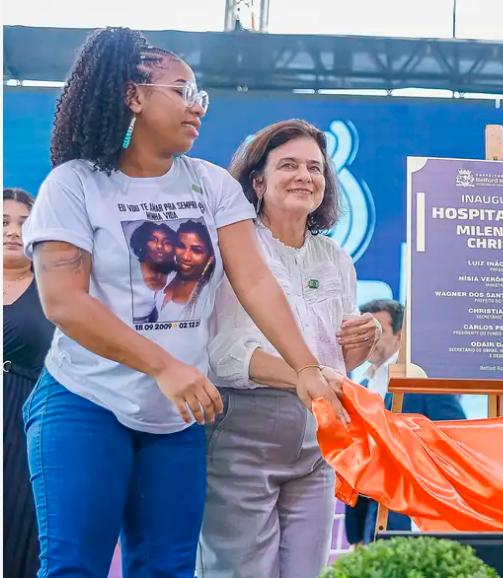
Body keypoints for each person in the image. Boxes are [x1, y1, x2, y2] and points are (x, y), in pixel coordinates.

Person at [20, 27, 344, 578]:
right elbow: (64, 303)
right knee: (74, 566)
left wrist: (306, 368)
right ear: (134, 96)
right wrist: (165, 365)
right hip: (85, 401)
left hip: (177, 419)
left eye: (202, 97)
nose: (198, 107)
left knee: (167, 569)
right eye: (183, 90)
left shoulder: (213, 185)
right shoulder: (73, 184)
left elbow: (255, 283)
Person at [200, 119, 379, 578]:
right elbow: (224, 353)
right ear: (257, 181)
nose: (305, 176)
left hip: (317, 438)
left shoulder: (335, 257)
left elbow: (334, 362)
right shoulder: (234, 247)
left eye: (316, 168)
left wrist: (361, 344)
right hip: (242, 430)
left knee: (307, 571)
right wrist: (307, 375)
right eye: (289, 165)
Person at [343, 299, 468, 543]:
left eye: (377, 329)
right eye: (363, 330)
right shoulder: (361, 387)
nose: (369, 337)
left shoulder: (422, 382)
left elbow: (456, 436)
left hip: (410, 518)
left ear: (400, 336)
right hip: (370, 518)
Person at [4, 188, 53, 578]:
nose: (12, 231)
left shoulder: (54, 291)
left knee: (23, 529)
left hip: (26, 427)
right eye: (3, 222)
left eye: (23, 222)